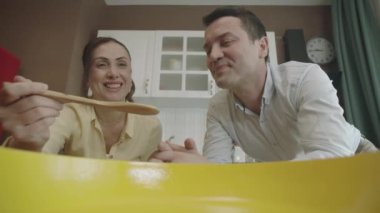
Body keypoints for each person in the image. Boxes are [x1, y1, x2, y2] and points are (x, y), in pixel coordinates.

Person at [149, 6, 377, 163]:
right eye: (207, 49)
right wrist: (200, 167)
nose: (214, 55)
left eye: (226, 42)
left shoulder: (304, 78)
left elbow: (331, 159)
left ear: (263, 47)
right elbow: (216, 169)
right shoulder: (218, 107)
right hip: (291, 178)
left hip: (353, 157)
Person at [0, 37, 162, 161]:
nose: (113, 73)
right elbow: (36, 157)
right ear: (88, 79)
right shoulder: (68, 114)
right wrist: (27, 144)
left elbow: (147, 172)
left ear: (130, 75)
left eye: (121, 64)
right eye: (101, 64)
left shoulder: (151, 125)